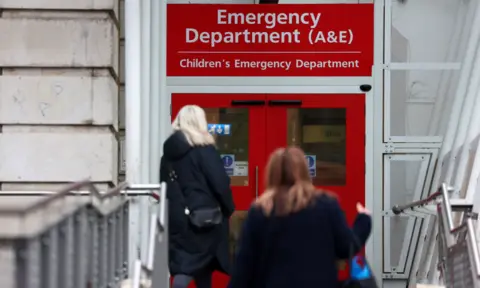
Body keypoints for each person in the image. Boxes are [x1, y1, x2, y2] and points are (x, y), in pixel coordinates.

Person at [228, 147, 372, 288]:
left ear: (271, 174)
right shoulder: (326, 205)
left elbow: (244, 268)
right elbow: (347, 247)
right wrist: (363, 219)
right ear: (305, 173)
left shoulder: (260, 211)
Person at [160, 105, 235, 288]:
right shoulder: (205, 151)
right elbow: (220, 183)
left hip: (179, 221)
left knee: (187, 266)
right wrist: (228, 209)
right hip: (206, 220)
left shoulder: (168, 156)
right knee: (202, 265)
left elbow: (166, 188)